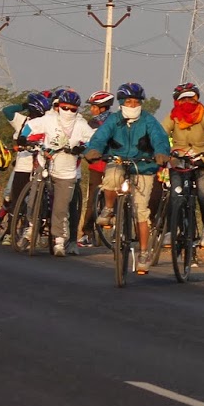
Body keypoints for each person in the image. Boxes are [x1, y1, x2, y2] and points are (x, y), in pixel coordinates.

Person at [83, 82, 171, 275]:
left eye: (136, 102)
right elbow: (100, 137)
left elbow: (159, 138)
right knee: (111, 178)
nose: (133, 105)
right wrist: (94, 150)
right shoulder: (114, 120)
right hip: (118, 160)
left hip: (144, 166)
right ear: (121, 103)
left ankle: (144, 253)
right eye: (129, 101)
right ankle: (108, 208)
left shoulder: (148, 120)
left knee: (141, 211)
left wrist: (161, 153)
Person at [19, 88, 92, 256]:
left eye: (72, 109)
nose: (68, 112)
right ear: (59, 106)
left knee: (61, 208)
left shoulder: (81, 124)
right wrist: (23, 138)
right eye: (65, 108)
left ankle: (59, 241)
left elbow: (93, 139)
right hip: (45, 164)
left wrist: (82, 147)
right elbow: (30, 127)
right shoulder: (49, 119)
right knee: (33, 199)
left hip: (67, 171)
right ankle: (31, 228)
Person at [164, 82, 204, 252]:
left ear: (197, 99)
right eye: (183, 99)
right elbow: (161, 133)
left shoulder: (203, 115)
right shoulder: (172, 116)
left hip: (202, 160)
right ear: (177, 101)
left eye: (191, 99)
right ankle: (170, 231)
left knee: (203, 194)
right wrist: (161, 150)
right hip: (178, 160)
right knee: (175, 195)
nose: (188, 102)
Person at [0, 91, 52, 244]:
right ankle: (10, 231)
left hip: (40, 166)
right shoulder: (22, 121)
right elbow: (7, 111)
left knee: (38, 201)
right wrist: (23, 105)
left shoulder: (47, 123)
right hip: (23, 166)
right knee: (16, 199)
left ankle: (35, 231)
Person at [76, 90, 115, 246]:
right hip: (97, 165)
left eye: (94, 106)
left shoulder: (116, 122)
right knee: (92, 198)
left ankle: (120, 229)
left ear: (103, 108)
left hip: (114, 164)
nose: (91, 109)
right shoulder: (91, 124)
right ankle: (87, 232)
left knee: (119, 195)